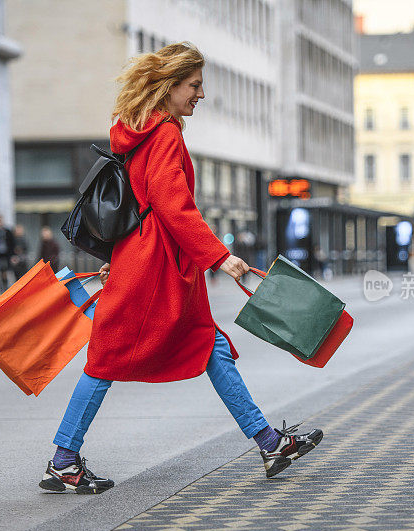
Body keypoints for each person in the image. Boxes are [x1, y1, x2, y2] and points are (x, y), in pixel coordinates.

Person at [39, 42, 323, 495]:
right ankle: (64, 458)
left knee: (208, 345)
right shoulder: (166, 133)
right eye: (194, 85)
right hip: (155, 268)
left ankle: (270, 443)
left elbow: (147, 205)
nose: (201, 95)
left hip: (153, 263)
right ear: (170, 86)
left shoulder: (139, 131)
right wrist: (220, 256)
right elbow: (174, 208)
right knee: (107, 358)